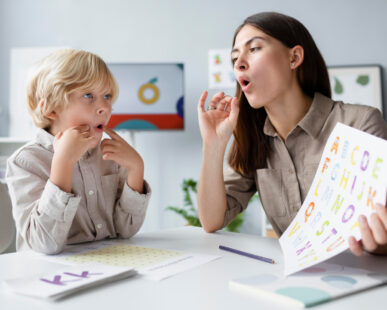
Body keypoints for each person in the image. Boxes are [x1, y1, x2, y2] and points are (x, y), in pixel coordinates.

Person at [197, 12, 387, 256]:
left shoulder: (360, 123)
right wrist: (213, 145)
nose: (239, 63)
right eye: (235, 57)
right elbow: (211, 220)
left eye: (254, 48)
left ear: (294, 57)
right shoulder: (254, 140)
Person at [6, 49, 151, 254]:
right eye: (88, 95)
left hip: (107, 264)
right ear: (51, 109)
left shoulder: (110, 155)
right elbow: (43, 243)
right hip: (48, 277)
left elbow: (126, 230)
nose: (104, 107)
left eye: (107, 96)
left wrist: (136, 170)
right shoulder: (26, 162)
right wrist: (63, 163)